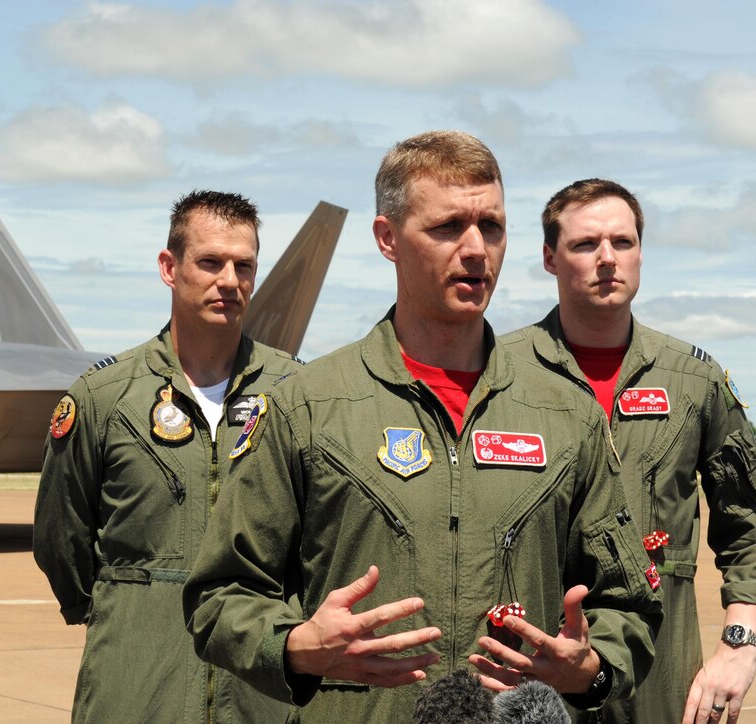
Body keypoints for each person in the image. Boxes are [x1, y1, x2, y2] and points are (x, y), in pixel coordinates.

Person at [182, 132, 662, 721]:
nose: (476, 250)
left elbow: (630, 601)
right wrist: (297, 647)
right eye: (447, 227)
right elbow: (219, 595)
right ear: (388, 239)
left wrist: (592, 669)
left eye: (491, 226)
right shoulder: (310, 408)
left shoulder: (566, 414)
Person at [34, 190, 302, 723]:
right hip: (134, 682)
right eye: (210, 262)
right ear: (169, 267)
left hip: (260, 688)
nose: (229, 279)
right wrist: (130, 607)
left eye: (243, 265)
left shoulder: (297, 394)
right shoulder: (104, 397)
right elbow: (60, 539)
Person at [501, 178, 756, 724]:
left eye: (623, 242)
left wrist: (740, 646)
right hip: (534, 681)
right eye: (585, 244)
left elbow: (748, 524)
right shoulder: (499, 375)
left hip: (662, 685)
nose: (607, 259)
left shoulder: (693, 379)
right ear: (549, 258)